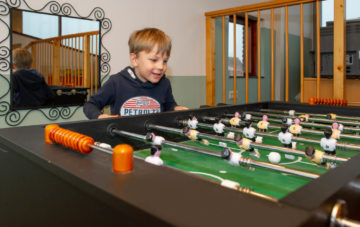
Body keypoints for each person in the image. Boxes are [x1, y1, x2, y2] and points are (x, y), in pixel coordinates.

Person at [83, 27, 188, 119]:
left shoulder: (164, 84)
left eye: (165, 61)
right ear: (134, 59)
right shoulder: (117, 82)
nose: (161, 67)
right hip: (123, 141)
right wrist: (99, 116)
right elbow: (90, 105)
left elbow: (169, 106)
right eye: (154, 60)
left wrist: (175, 108)